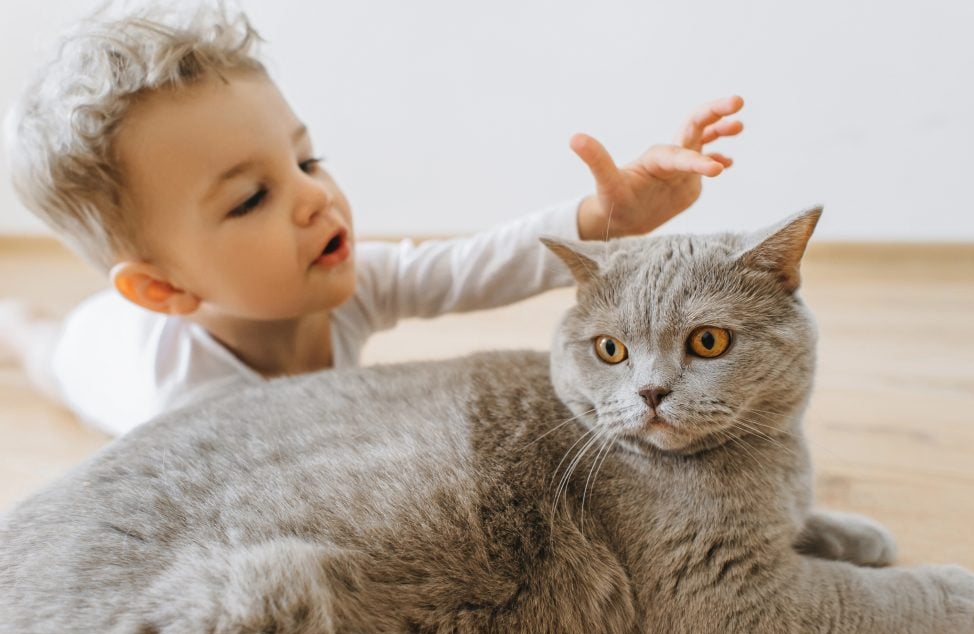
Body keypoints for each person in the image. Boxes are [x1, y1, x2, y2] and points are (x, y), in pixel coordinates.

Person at [0, 5, 743, 437]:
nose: (313, 196)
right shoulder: (187, 410)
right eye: (251, 198)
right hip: (94, 351)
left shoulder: (347, 280)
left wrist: (606, 219)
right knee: (42, 347)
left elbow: (472, 266)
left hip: (126, 313)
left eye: (307, 158)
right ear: (165, 288)